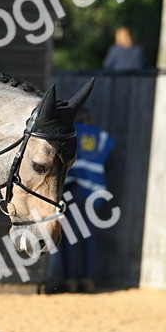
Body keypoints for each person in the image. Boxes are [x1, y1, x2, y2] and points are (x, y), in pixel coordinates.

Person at [56, 111, 113, 293]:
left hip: (74, 188)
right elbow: (107, 159)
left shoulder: (71, 133)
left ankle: (70, 281)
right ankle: (88, 280)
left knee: (70, 235)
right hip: (95, 192)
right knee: (88, 236)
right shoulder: (101, 136)